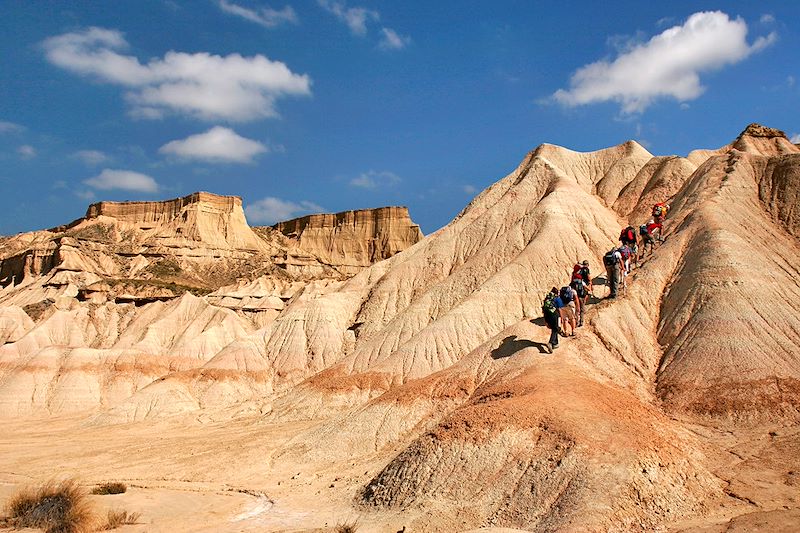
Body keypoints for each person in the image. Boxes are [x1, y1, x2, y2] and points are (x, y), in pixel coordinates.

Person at [570, 261, 591, 326]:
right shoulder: (581, 281)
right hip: (581, 296)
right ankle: (581, 322)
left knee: (576, 309)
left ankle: (576, 321)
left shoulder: (573, 279)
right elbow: (587, 288)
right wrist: (589, 287)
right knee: (581, 309)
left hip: (575, 296)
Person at [542, 288, 560, 353]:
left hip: (546, 314)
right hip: (554, 314)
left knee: (554, 328)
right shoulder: (556, 298)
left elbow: (543, 308)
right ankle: (550, 342)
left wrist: (546, 320)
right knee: (555, 329)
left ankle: (555, 343)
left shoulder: (547, 298)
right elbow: (560, 307)